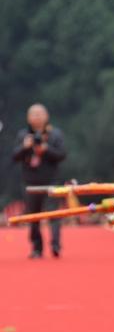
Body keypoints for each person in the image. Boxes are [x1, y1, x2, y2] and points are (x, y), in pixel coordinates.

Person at [12, 104, 66, 259]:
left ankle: (55, 245)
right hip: (30, 182)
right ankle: (37, 248)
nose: (37, 117)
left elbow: (62, 154)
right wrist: (25, 147)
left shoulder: (55, 134)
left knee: (54, 214)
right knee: (33, 216)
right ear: (28, 118)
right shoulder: (23, 135)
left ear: (46, 116)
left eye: (39, 114)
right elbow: (15, 156)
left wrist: (46, 149)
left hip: (51, 181)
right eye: (33, 114)